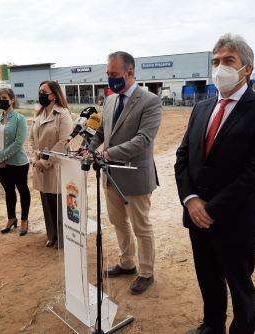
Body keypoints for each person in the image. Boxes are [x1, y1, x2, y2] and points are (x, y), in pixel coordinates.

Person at [175, 33, 255, 334]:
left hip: (234, 219)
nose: (220, 67)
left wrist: (212, 209)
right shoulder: (201, 108)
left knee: (240, 287)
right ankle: (212, 325)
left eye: (228, 61)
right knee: (208, 279)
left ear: (246, 68)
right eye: (216, 61)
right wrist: (192, 200)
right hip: (196, 216)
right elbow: (183, 157)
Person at [88, 51, 162, 295]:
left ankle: (146, 272)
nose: (110, 79)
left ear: (130, 73)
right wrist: (88, 150)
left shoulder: (150, 101)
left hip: (135, 176)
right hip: (110, 176)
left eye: (115, 74)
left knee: (141, 227)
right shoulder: (109, 99)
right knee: (118, 223)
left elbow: (143, 139)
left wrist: (108, 154)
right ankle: (127, 263)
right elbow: (101, 133)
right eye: (108, 74)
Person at [29, 81, 72, 248]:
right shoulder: (38, 115)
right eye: (39, 91)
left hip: (56, 165)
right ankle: (52, 235)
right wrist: (35, 159)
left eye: (44, 92)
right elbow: (32, 140)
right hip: (39, 166)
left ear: (54, 94)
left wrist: (44, 161)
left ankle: (63, 237)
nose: (41, 94)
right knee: (46, 201)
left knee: (59, 202)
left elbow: (64, 142)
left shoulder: (63, 114)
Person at [0, 88, 31, 236]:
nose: (2, 100)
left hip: (18, 163)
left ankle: (24, 221)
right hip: (0, 164)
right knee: (8, 191)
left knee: (22, 191)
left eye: (4, 97)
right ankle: (11, 218)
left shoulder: (20, 119)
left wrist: (0, 157)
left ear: (12, 100)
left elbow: (19, 142)